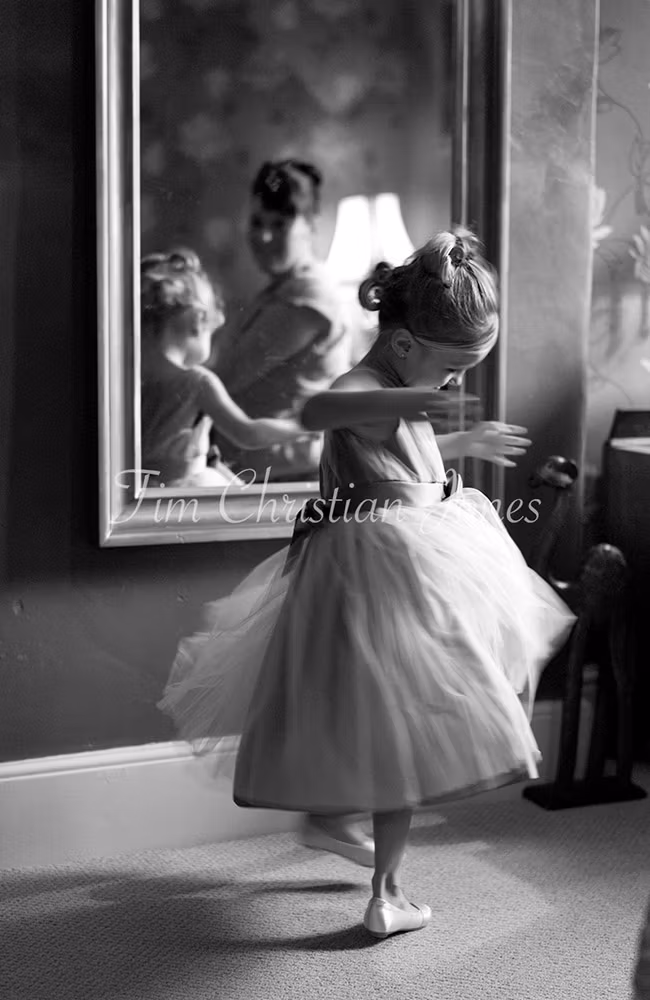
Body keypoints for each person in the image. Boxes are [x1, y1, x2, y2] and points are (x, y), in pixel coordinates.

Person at [159, 229, 575, 939]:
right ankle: (385, 891)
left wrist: (458, 442)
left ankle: (338, 825)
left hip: (407, 551)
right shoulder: (362, 386)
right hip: (379, 566)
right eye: (449, 369)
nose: (451, 385)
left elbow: (398, 446)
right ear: (406, 344)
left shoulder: (399, 387)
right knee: (400, 727)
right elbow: (328, 411)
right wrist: (423, 410)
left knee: (372, 715)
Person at [214, 159, 350, 482]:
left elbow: (229, 374)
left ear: (310, 225)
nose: (262, 236)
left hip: (287, 476)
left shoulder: (307, 297)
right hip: (261, 469)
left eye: (279, 225)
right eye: (257, 221)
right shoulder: (282, 289)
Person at [140, 248, 305, 488]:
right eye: (211, 332)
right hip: (186, 493)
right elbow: (248, 433)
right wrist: (299, 426)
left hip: (140, 491)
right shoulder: (197, 382)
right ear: (198, 323)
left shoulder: (130, 379)